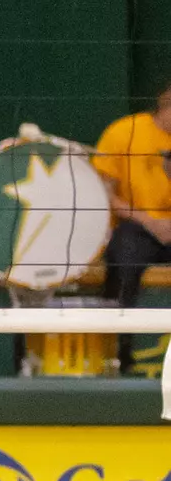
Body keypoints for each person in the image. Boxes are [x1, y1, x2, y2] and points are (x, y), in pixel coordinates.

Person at [95, 82, 171, 367]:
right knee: (124, 258)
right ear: (164, 105)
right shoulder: (124, 132)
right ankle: (118, 349)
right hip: (136, 225)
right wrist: (149, 221)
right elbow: (104, 192)